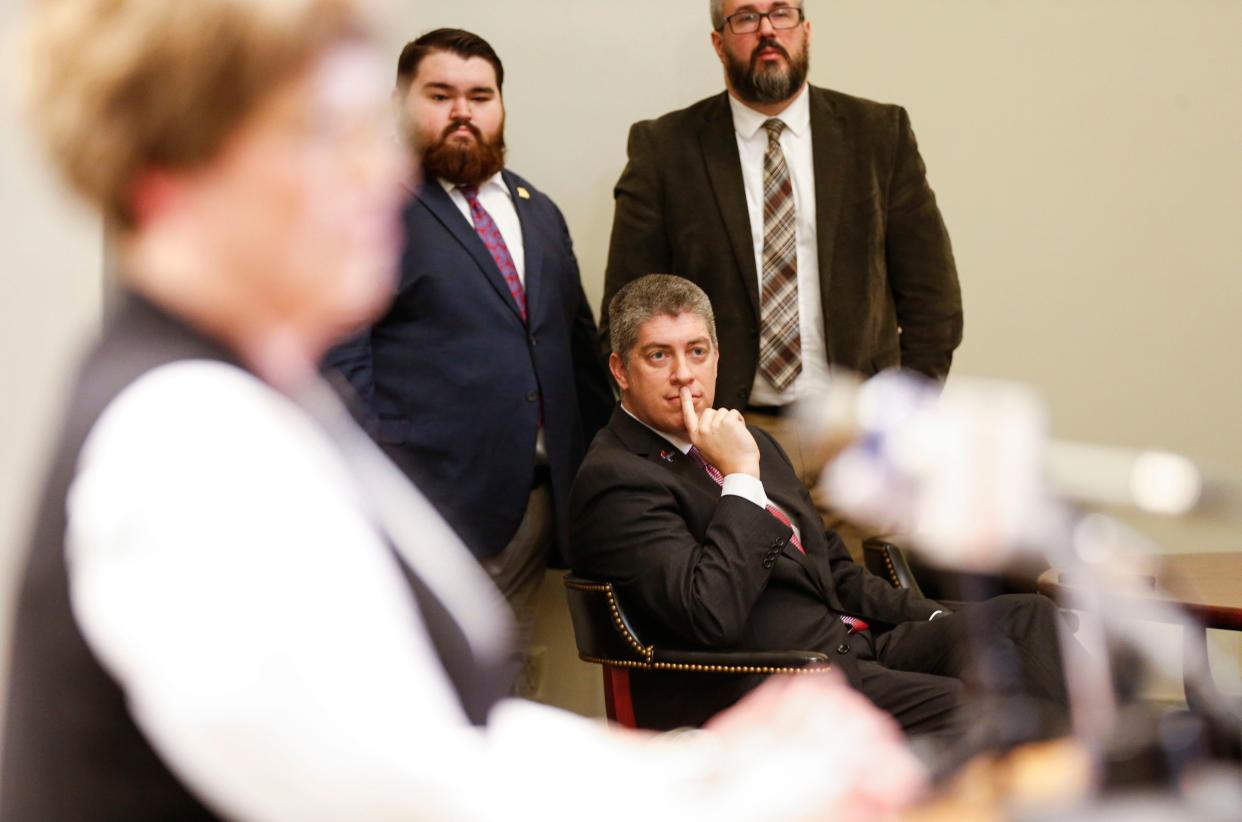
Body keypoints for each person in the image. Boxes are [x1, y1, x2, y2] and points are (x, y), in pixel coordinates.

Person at [2, 2, 926, 819]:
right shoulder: (182, 434)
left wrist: (708, 762)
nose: (376, 175)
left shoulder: (261, 401)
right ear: (178, 175)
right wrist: (736, 789)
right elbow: (399, 787)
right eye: (326, 133)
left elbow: (450, 729)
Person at [571, 275, 1068, 739]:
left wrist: (934, 616)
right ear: (621, 370)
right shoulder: (618, 478)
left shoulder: (754, 442)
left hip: (850, 649)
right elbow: (710, 612)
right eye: (659, 355)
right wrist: (741, 478)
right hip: (775, 683)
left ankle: (1089, 782)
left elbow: (833, 570)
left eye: (696, 352)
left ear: (717, 357)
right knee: (990, 709)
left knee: (1028, 617)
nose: (684, 375)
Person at [323, 30, 613, 691]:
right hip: (427, 506)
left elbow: (579, 355)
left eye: (480, 95)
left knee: (500, 687)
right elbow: (341, 368)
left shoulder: (540, 214)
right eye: (441, 94)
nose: (464, 111)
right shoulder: (370, 207)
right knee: (415, 692)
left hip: (535, 508)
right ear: (398, 102)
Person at [600, 0, 963, 490]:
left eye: (781, 13)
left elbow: (933, 302)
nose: (767, 29)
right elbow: (626, 313)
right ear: (718, 41)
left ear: (806, 30)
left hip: (855, 440)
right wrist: (682, 431)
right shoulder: (665, 148)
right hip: (721, 441)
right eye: (746, 17)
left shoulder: (879, 135)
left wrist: (895, 419)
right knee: (736, 567)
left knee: (865, 569)